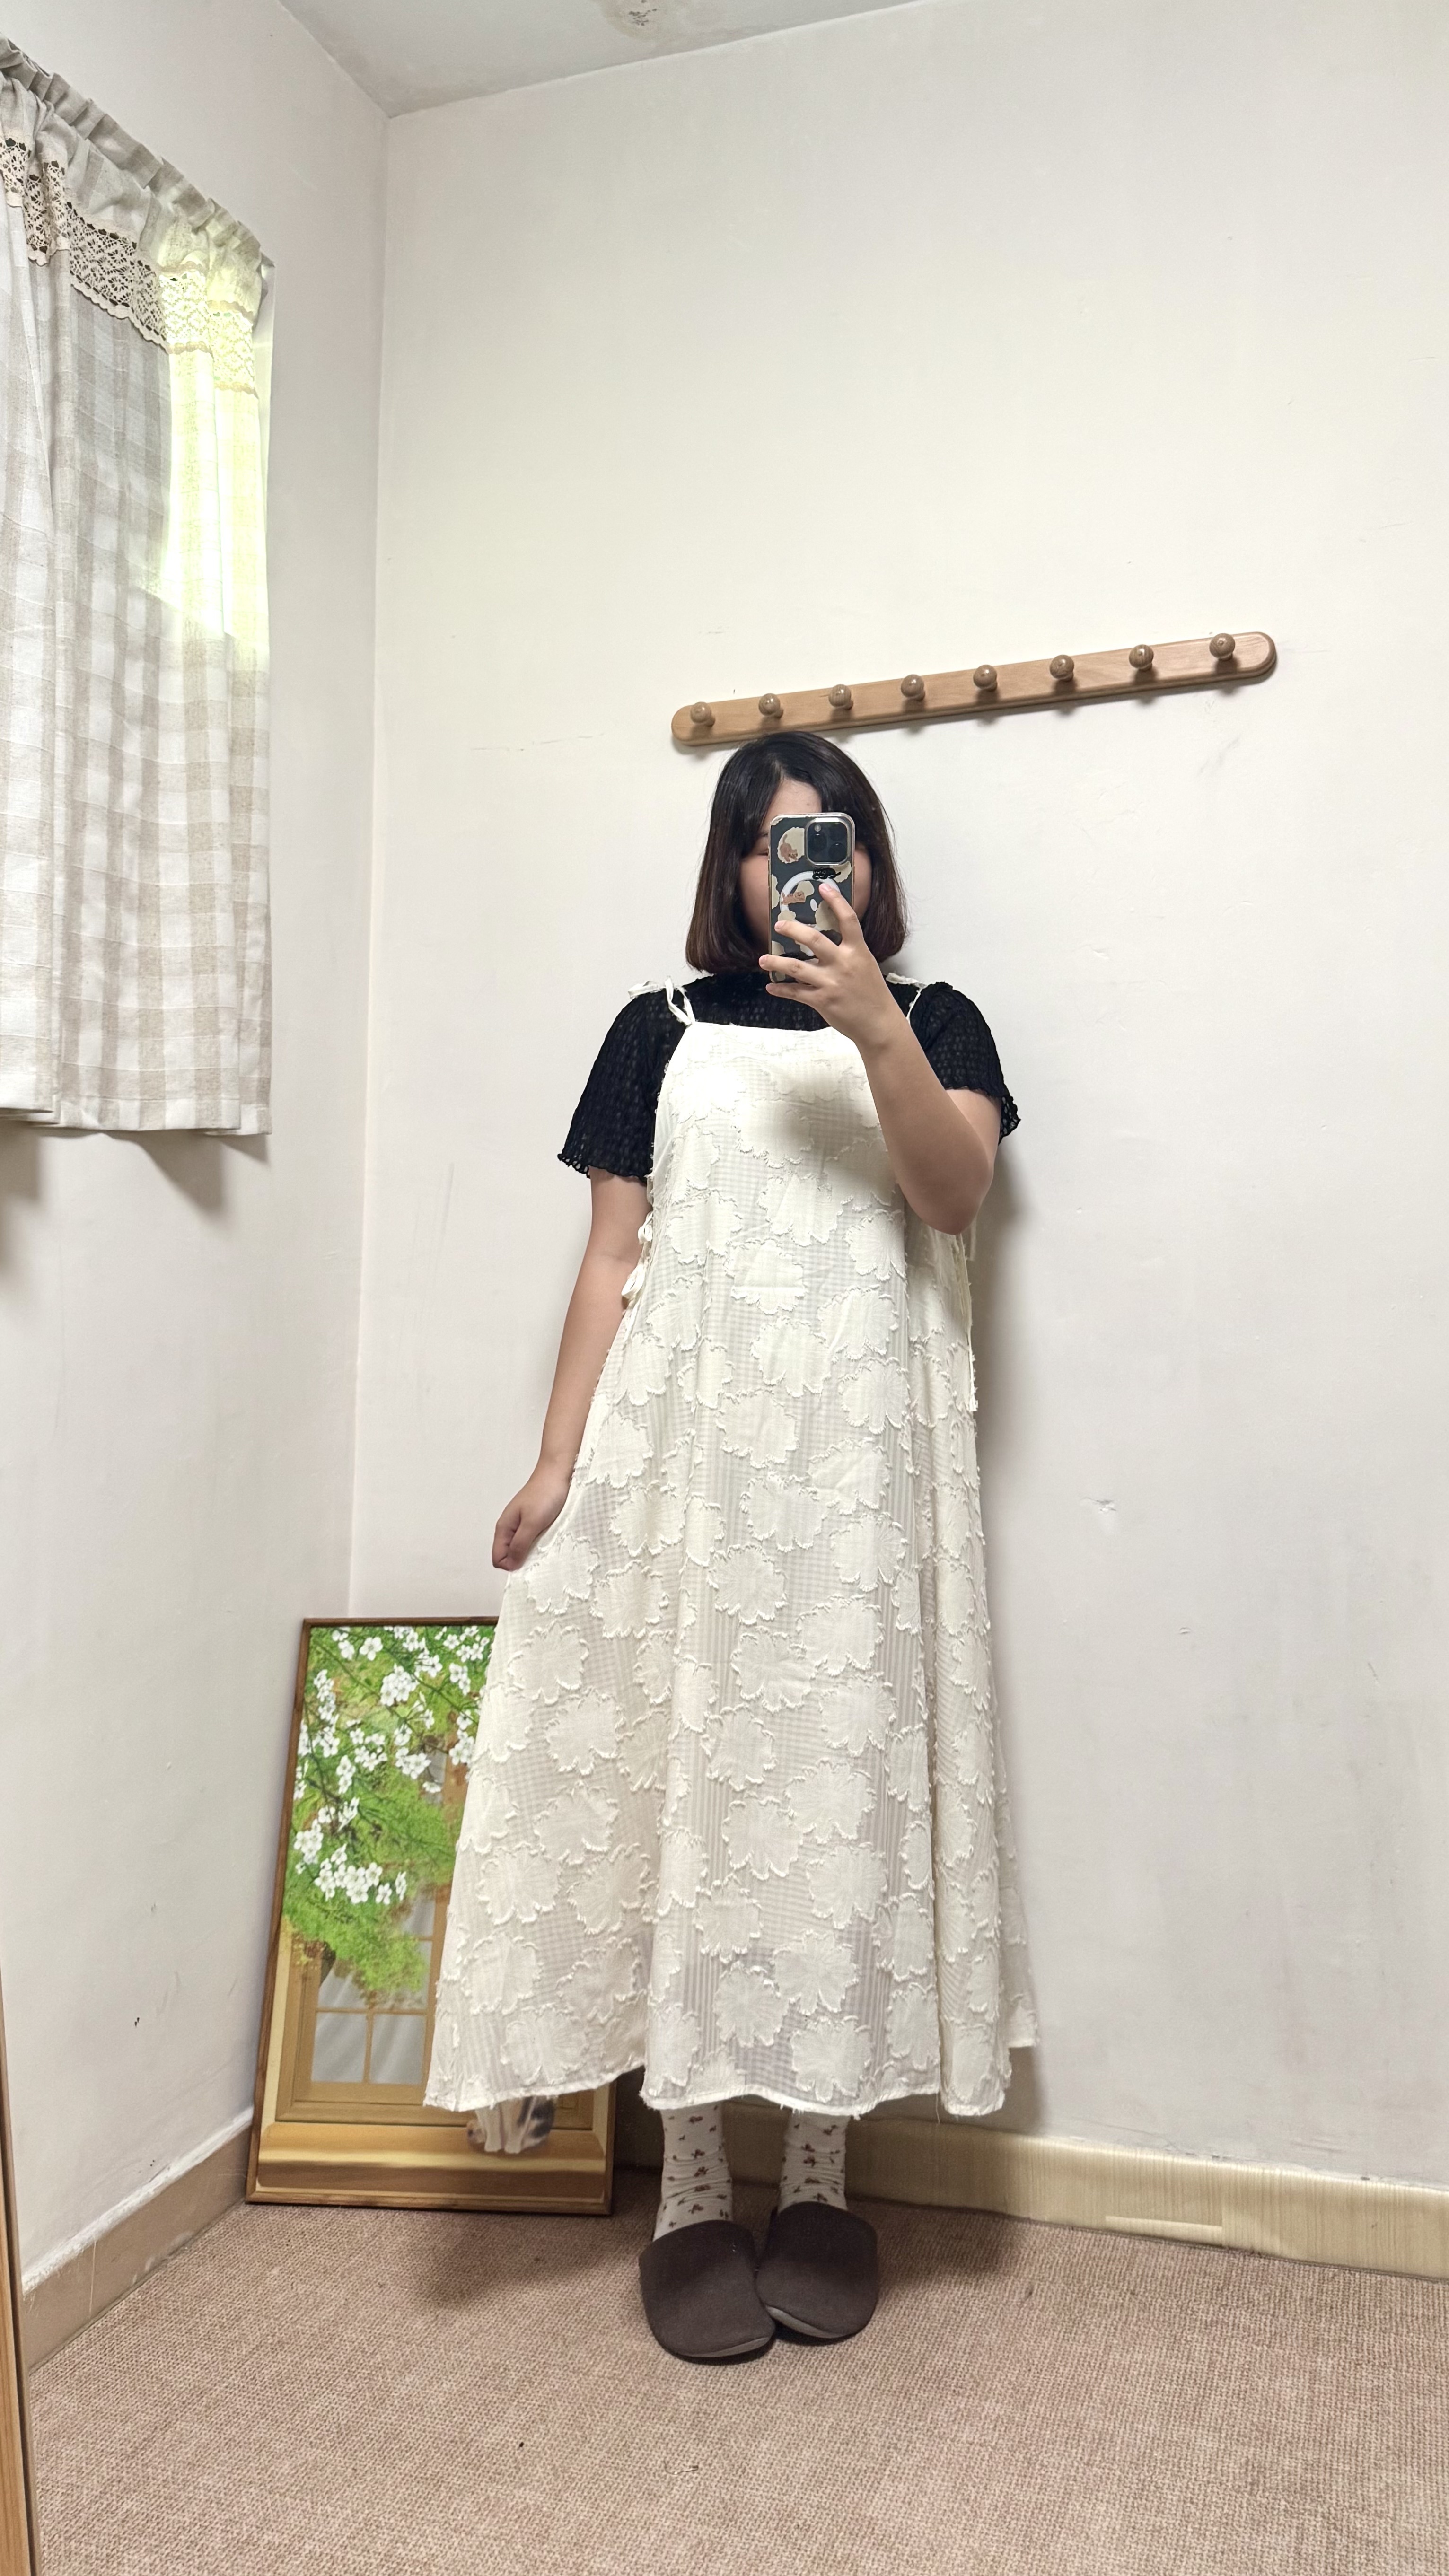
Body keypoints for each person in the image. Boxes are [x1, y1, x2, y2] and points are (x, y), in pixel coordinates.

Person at [425, 731, 1037, 2360]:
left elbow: (953, 1195)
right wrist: (557, 1460)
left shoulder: (939, 1022)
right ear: (733, 868)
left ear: (868, 861)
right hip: (686, 1471)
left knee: (833, 1797)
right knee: (681, 1792)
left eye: (832, 840)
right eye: (775, 845)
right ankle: (692, 2183)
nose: (804, 869)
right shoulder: (660, 1028)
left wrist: (871, 1022)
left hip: (857, 1488)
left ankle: (822, 2172)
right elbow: (611, 1258)